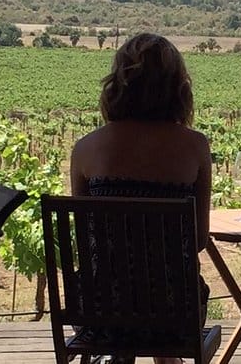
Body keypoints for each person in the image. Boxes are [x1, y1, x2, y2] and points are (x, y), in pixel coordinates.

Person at [70, 33, 212, 364]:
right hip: (175, 316)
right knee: (160, 303)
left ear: (116, 85)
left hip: (100, 316)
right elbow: (199, 240)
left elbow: (83, 238)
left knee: (125, 305)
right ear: (179, 87)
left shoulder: (86, 149)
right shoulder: (194, 147)